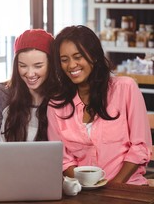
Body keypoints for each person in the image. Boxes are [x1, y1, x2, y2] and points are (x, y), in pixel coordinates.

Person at [47, 25, 152, 185]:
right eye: (64, 60)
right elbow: (63, 158)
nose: (71, 65)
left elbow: (140, 147)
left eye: (78, 56)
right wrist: (86, 186)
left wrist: (112, 189)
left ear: (94, 56)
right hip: (81, 190)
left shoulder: (126, 88)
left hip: (127, 187)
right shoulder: (56, 104)